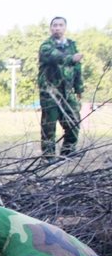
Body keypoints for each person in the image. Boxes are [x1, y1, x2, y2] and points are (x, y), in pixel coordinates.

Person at [39, 16, 84, 159]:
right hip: (50, 91)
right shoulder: (46, 45)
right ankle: (49, 156)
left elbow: (77, 68)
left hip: (67, 92)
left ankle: (68, 151)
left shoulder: (71, 45)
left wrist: (79, 88)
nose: (57, 28)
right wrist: (71, 58)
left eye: (60, 25)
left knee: (74, 121)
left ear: (65, 27)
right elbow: (55, 57)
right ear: (51, 28)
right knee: (49, 126)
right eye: (54, 25)